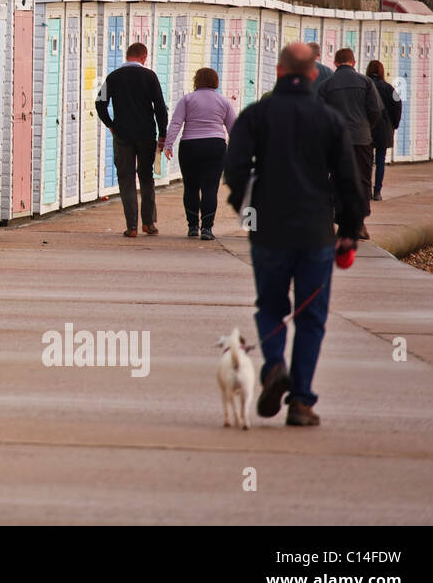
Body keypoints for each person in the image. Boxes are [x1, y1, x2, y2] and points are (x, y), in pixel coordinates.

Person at [224, 43, 365, 427]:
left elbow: (235, 171)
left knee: (270, 305)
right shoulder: (329, 120)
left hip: (268, 230)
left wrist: (247, 213)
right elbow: (350, 181)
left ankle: (273, 366)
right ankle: (301, 402)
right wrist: (350, 229)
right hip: (316, 233)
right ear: (315, 74)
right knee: (311, 317)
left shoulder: (257, 116)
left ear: (279, 70)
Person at [95, 42, 168, 238]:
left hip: (123, 135)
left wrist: (110, 124)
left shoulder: (113, 77)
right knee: (146, 177)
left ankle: (132, 227)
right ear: (144, 57)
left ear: (128, 56)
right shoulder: (150, 76)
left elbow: (99, 103)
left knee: (126, 179)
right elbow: (160, 106)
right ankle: (149, 223)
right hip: (146, 135)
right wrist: (163, 134)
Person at [162, 67, 238, 240]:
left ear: (197, 80)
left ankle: (193, 226)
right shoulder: (223, 101)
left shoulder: (187, 99)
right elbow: (234, 127)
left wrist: (168, 145)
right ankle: (207, 229)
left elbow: (175, 123)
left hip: (190, 146)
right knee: (210, 188)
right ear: (215, 81)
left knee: (191, 187)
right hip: (215, 145)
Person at [318, 48, 383, 239]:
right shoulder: (366, 82)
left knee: (336, 179)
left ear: (336, 63)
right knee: (362, 180)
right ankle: (359, 224)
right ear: (354, 63)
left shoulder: (326, 85)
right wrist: (365, 127)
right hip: (361, 139)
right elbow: (376, 110)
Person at [366, 60, 402, 201]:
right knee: (381, 160)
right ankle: (377, 192)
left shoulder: (366, 86)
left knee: (368, 161)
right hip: (384, 129)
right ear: (381, 71)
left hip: (368, 128)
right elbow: (397, 106)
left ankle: (367, 189)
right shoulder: (389, 88)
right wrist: (394, 124)